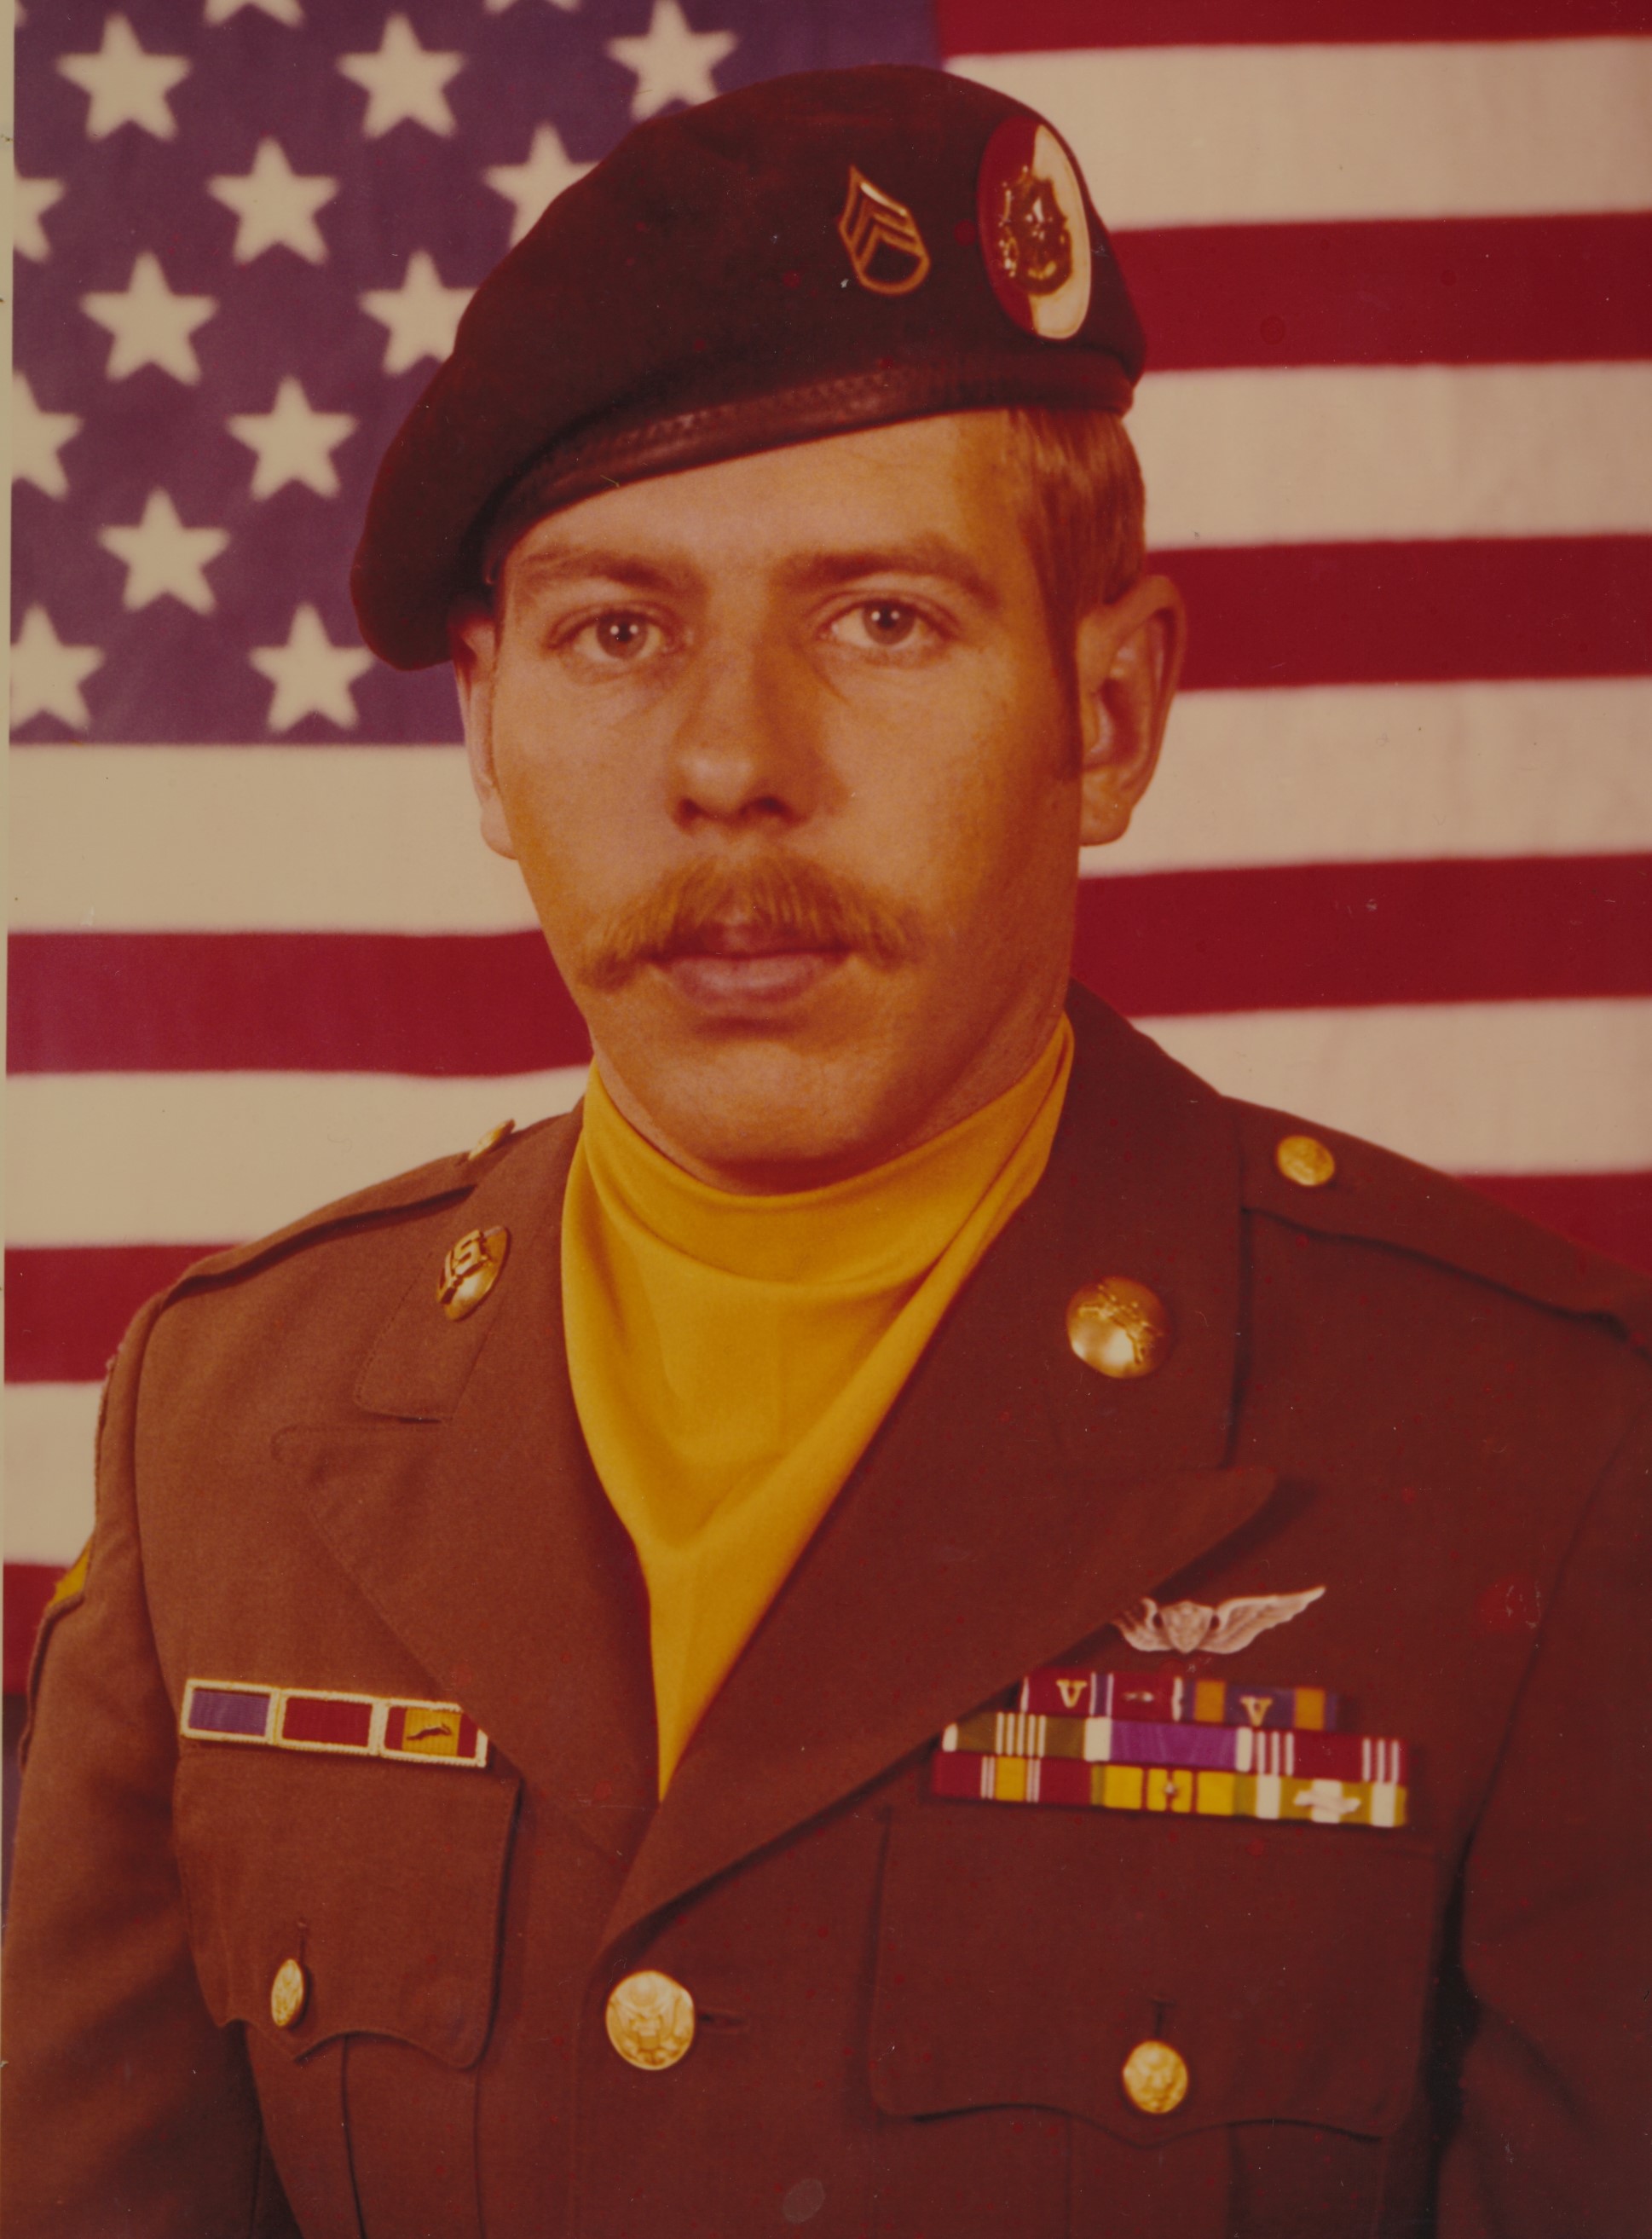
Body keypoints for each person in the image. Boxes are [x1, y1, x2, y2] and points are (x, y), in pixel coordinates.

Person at [3, 64, 1648, 2239]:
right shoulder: (225, 1424)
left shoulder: (1543, 1463)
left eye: (882, 618)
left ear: (1110, 714)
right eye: (617, 630)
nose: (729, 761)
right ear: (485, 730)